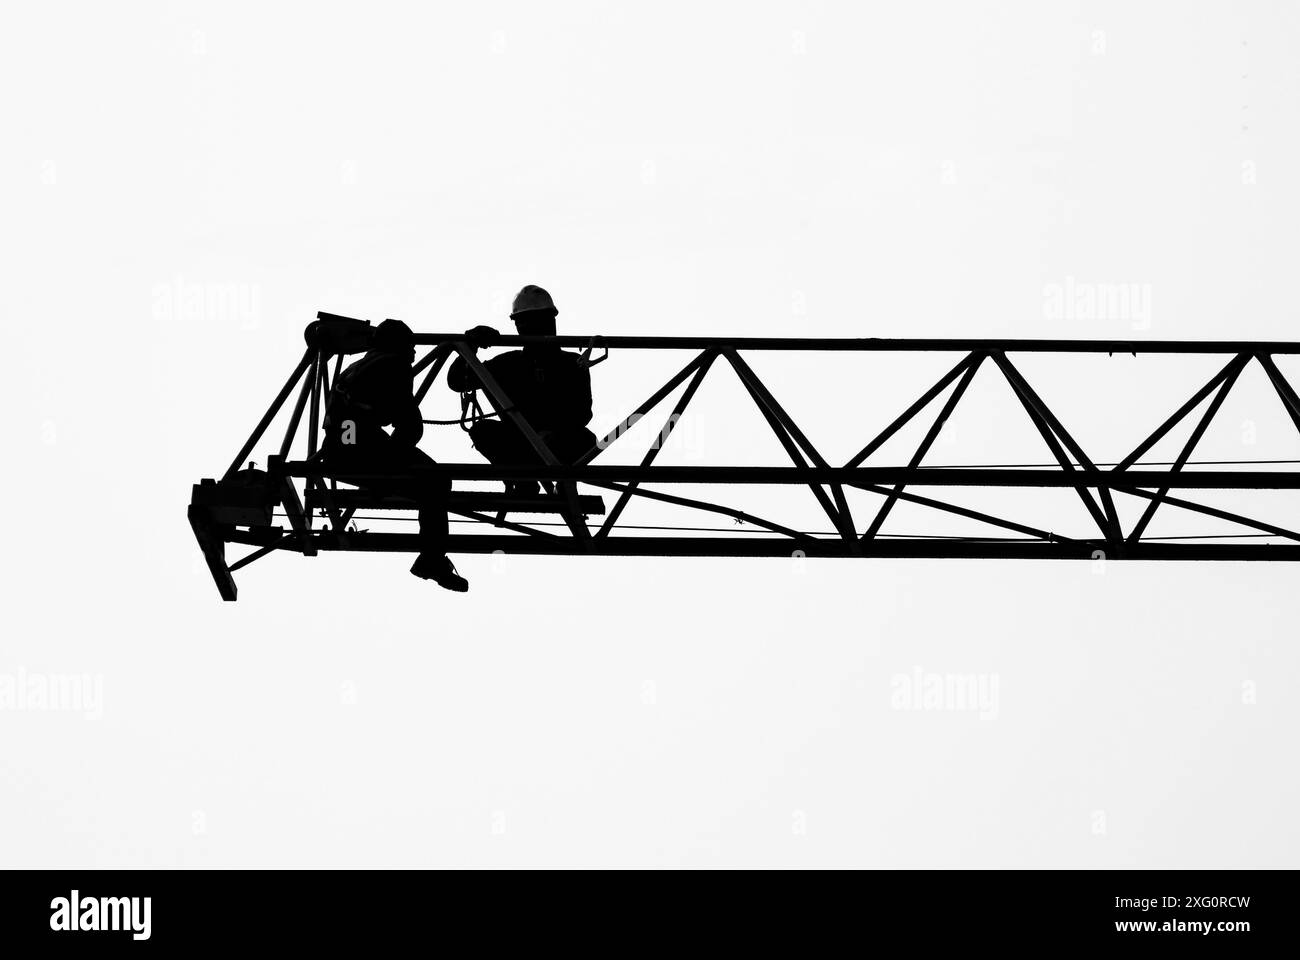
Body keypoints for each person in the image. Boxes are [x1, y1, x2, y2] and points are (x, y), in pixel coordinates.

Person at [321, 318, 468, 592]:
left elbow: (346, 423)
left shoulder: (356, 367)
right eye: (411, 347)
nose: (414, 354)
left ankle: (431, 558)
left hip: (340, 446)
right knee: (435, 479)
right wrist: (389, 469)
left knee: (416, 468)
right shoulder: (394, 365)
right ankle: (432, 559)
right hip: (357, 448)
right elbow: (410, 427)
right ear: (399, 346)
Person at [447, 285, 596, 495]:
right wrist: (470, 345)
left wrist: (552, 433)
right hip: (520, 446)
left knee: (585, 440)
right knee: (483, 431)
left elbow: (582, 412)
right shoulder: (508, 364)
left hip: (558, 444)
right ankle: (526, 480)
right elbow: (457, 381)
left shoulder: (571, 363)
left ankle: (558, 482)